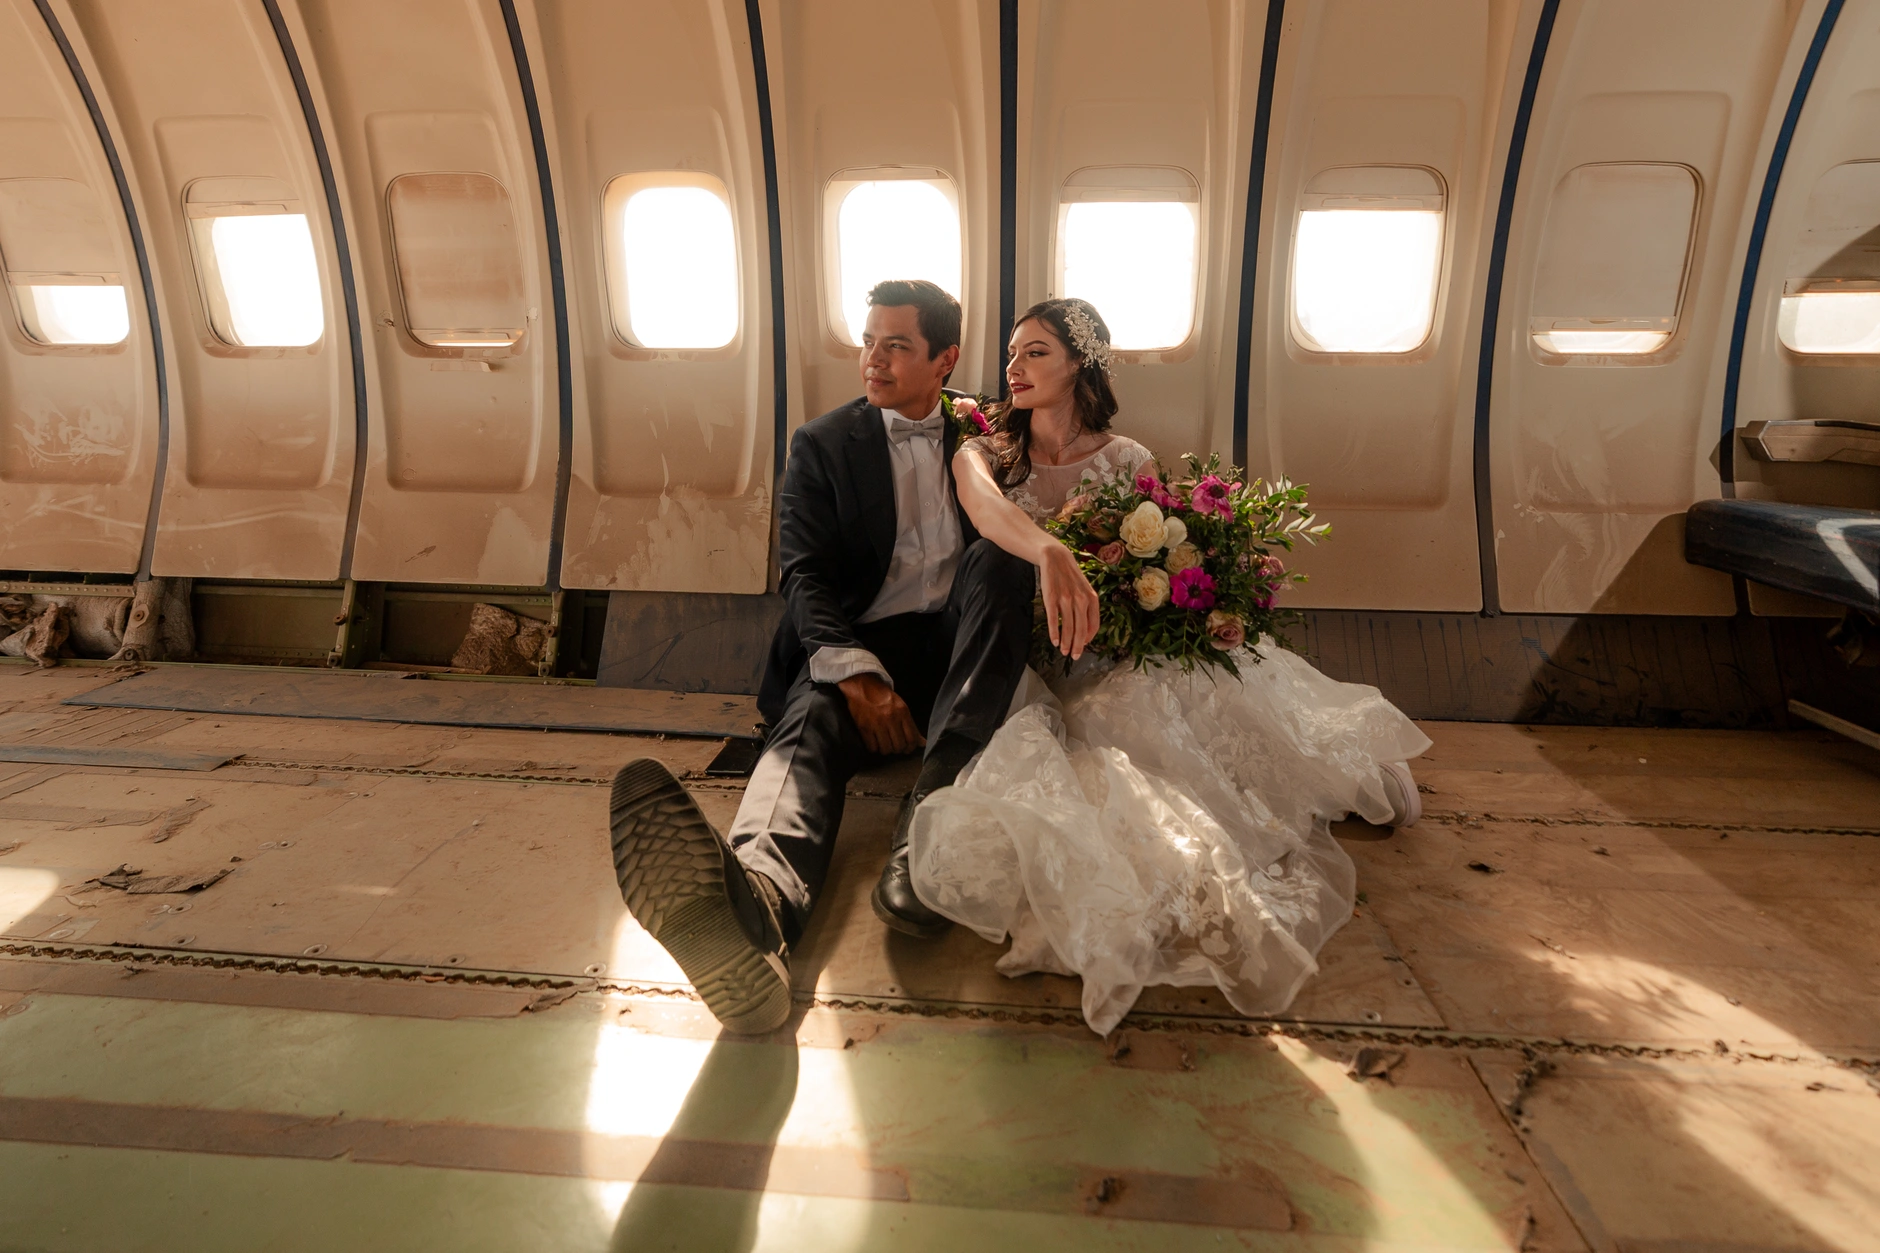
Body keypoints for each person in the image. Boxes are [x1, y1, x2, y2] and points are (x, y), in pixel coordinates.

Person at [908, 298, 1433, 1036]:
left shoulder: (1128, 461)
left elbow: (1153, 559)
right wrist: (1053, 550)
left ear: (1079, 365)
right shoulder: (983, 453)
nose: (1013, 368)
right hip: (1013, 650)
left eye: (1035, 354)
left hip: (1105, 650)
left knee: (1148, 713)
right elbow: (990, 515)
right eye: (1012, 354)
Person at [605, 279, 1038, 1035]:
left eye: (896, 345)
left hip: (959, 649)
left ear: (946, 358)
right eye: (867, 341)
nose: (872, 360)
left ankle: (928, 817)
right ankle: (756, 908)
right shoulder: (822, 442)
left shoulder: (989, 431)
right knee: (806, 732)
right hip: (857, 640)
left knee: (1004, 562)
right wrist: (860, 676)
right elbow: (803, 575)